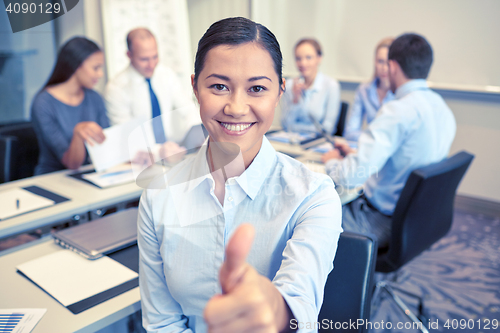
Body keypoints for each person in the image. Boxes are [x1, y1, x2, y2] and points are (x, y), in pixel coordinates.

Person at [138, 17, 342, 332]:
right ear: (195, 88)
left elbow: (299, 304)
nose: (236, 107)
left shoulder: (314, 196)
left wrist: (273, 309)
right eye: (219, 86)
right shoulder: (158, 194)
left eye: (257, 88)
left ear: (279, 91)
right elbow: (162, 320)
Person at [322, 33, 456, 248]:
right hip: (418, 220)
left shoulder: (397, 111)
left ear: (393, 67)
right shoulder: (442, 108)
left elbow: (349, 178)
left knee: (309, 214)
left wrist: (330, 162)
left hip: (379, 220)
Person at [104, 28, 197, 158]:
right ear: (129, 55)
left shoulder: (166, 74)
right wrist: (158, 152)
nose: (152, 64)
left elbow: (188, 109)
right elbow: (126, 136)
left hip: (173, 152)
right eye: (144, 59)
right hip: (141, 158)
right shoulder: (116, 88)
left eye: (155, 57)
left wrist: (196, 135)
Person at [31, 37, 109, 175]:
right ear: (76, 65)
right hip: (53, 178)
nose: (100, 74)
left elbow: (107, 143)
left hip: (90, 173)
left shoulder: (94, 98)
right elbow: (71, 164)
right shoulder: (43, 103)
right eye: (95, 68)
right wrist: (78, 133)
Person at [281, 38, 341, 135]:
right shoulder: (290, 85)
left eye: (308, 57)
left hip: (317, 142)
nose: (303, 63)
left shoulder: (331, 85)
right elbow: (285, 124)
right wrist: (295, 100)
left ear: (319, 58)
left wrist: (296, 128)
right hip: (293, 140)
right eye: (298, 58)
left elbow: (327, 129)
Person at [343, 37, 395, 142]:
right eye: (380, 61)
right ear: (374, 62)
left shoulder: (401, 94)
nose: (384, 68)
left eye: (388, 63)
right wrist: (374, 139)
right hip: (368, 148)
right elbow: (350, 132)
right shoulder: (364, 90)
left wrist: (369, 137)